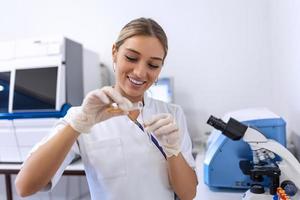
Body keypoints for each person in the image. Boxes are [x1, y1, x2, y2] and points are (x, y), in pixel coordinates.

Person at [15, 17, 198, 200]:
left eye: (153, 65)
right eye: (131, 58)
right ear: (114, 52)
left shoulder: (172, 115)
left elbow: (188, 194)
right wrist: (76, 125)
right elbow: (25, 186)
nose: (140, 73)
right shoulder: (84, 116)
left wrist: (173, 151)